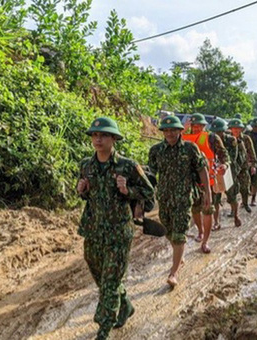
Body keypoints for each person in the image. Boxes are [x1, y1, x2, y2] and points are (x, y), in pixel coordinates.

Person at [77, 117, 155, 339]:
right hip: (92, 231)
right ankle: (126, 306)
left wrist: (127, 191)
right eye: (94, 135)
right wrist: (81, 189)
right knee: (103, 280)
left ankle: (103, 328)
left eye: (103, 135)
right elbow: (85, 194)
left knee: (109, 284)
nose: (98, 139)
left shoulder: (128, 166)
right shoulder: (86, 165)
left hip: (119, 232)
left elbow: (149, 194)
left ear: (114, 139)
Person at [148, 115, 211, 288]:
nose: (169, 133)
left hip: (184, 198)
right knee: (169, 231)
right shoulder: (155, 151)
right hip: (164, 198)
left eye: (173, 130)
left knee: (179, 233)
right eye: (166, 130)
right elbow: (151, 175)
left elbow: (202, 169)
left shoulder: (190, 149)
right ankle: (179, 257)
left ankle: (174, 272)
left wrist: (208, 193)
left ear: (180, 131)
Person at [182, 113, 228, 253]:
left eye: (199, 126)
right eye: (194, 126)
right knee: (195, 209)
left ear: (204, 126)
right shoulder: (183, 138)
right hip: (191, 181)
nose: (196, 128)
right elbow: (168, 143)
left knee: (207, 209)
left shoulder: (212, 138)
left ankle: (205, 241)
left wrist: (224, 165)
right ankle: (200, 231)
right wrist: (183, 130)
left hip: (208, 180)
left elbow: (224, 155)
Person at [207, 119, 239, 228]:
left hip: (228, 170)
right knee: (215, 198)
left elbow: (232, 158)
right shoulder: (210, 140)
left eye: (219, 132)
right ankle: (216, 222)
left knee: (231, 197)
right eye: (215, 132)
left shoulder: (231, 140)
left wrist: (224, 164)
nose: (217, 134)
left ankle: (236, 216)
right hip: (215, 171)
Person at [229, 119, 256, 214]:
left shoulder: (246, 138)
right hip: (231, 168)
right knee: (232, 190)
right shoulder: (227, 139)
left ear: (241, 129)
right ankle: (233, 210)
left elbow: (251, 152)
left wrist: (253, 165)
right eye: (234, 128)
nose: (236, 130)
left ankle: (245, 204)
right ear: (230, 129)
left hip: (243, 167)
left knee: (244, 188)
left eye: (238, 128)